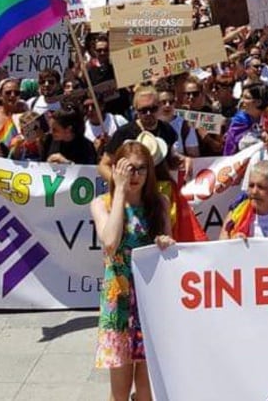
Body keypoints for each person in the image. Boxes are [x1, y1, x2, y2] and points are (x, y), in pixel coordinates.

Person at [92, 141, 174, 401]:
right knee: (119, 391)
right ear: (117, 170)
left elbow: (170, 251)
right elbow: (109, 242)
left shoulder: (159, 202)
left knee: (148, 391)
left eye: (141, 169)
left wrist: (165, 243)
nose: (135, 176)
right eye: (129, 169)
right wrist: (119, 193)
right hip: (119, 300)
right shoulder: (101, 203)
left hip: (151, 299)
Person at [99, 87, 180, 183]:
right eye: (144, 110)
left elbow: (171, 160)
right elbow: (103, 166)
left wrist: (183, 160)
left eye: (153, 108)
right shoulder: (124, 133)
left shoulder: (167, 130)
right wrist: (120, 184)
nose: (148, 113)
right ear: (136, 111)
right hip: (133, 192)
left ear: (159, 106)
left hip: (161, 190)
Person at [223, 82, 268, 155]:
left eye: (247, 98)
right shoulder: (239, 121)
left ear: (258, 102)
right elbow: (229, 148)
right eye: (242, 97)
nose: (242, 101)